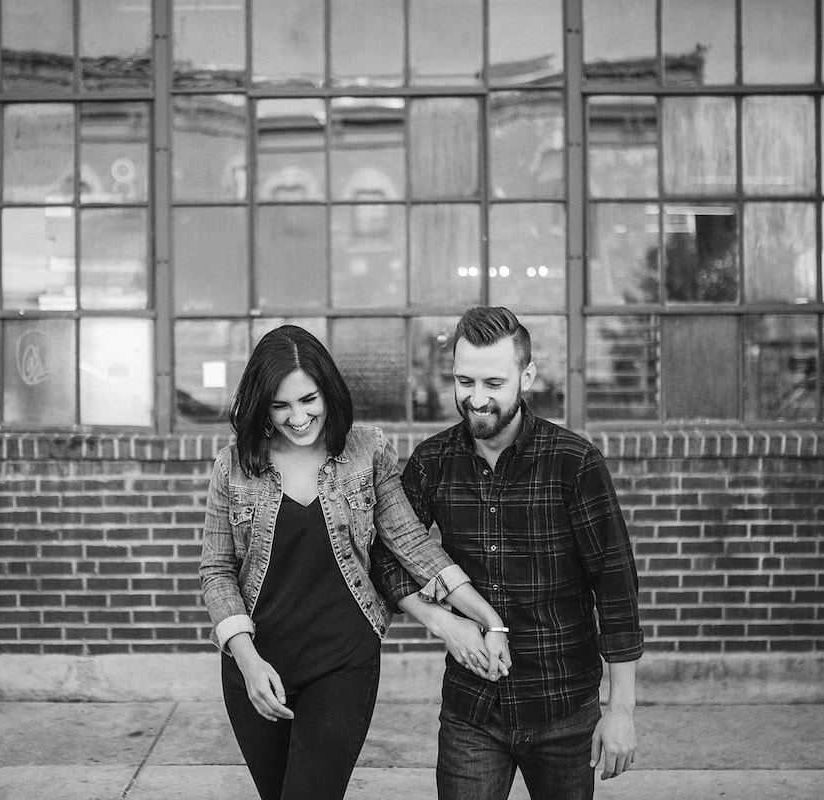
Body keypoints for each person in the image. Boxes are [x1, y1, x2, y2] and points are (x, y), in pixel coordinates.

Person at [198, 324, 508, 800]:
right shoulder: (234, 465)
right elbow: (217, 571)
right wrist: (246, 659)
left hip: (343, 662)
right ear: (261, 405)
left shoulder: (366, 451)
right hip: (257, 666)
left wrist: (485, 617)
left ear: (329, 392)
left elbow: (409, 540)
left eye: (308, 400)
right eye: (280, 406)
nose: (297, 418)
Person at [372, 306, 644, 800]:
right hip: (471, 709)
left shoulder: (574, 463)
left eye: (493, 383)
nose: (476, 398)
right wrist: (444, 623)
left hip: (562, 706)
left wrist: (620, 708)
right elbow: (386, 554)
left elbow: (616, 587)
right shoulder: (433, 462)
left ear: (528, 375)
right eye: (464, 380)